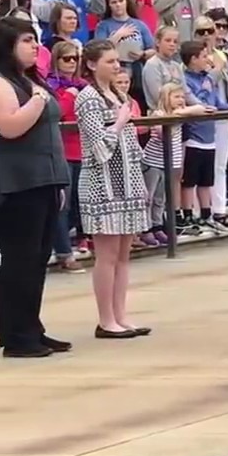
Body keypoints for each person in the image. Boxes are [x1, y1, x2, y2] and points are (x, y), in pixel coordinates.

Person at [0, 16, 73, 358]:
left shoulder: (30, 81)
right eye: (26, 41)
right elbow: (9, 127)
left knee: (38, 258)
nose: (34, 46)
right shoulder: (2, 83)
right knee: (20, 259)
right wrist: (39, 101)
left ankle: (32, 326)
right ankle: (16, 334)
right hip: (18, 184)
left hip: (45, 178)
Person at [75, 40, 152, 338]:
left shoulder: (118, 93)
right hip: (101, 185)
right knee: (106, 255)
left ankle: (121, 315)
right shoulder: (88, 98)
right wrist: (120, 122)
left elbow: (130, 144)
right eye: (109, 61)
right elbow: (98, 147)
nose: (116, 66)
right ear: (93, 64)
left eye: (117, 61)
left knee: (123, 254)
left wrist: (139, 180)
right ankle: (106, 319)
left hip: (126, 182)